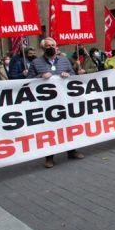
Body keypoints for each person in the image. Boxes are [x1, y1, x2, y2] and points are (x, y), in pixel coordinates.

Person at [27, 37, 84, 168]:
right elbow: (28, 80)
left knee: (69, 126)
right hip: (47, 103)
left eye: (53, 45)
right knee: (51, 130)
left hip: (65, 101)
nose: (51, 47)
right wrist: (40, 77)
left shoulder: (64, 60)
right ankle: (49, 157)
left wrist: (68, 74)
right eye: (48, 45)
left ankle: (72, 151)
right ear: (43, 48)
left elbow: (73, 74)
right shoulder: (36, 63)